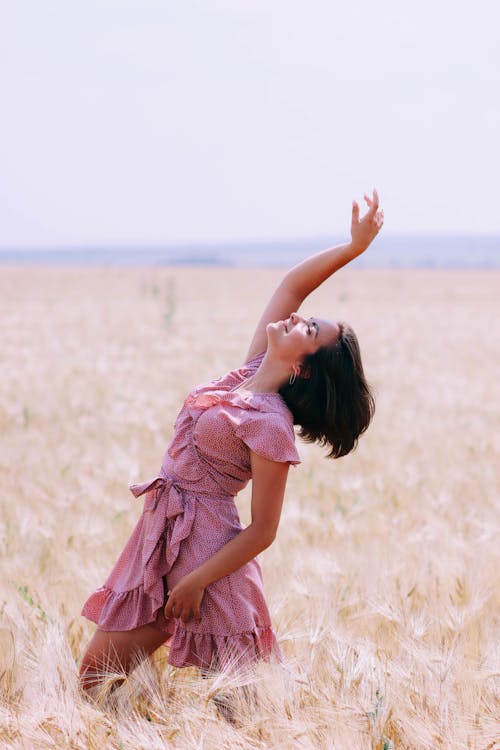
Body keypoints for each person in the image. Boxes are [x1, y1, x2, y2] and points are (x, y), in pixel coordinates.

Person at [79, 190, 384, 692]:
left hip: (207, 567)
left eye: (308, 327)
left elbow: (264, 529)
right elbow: (292, 283)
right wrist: (353, 249)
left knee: (241, 722)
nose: (296, 316)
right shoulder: (245, 374)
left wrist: (196, 581)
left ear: (303, 366)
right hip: (160, 539)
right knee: (92, 681)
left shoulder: (270, 424)